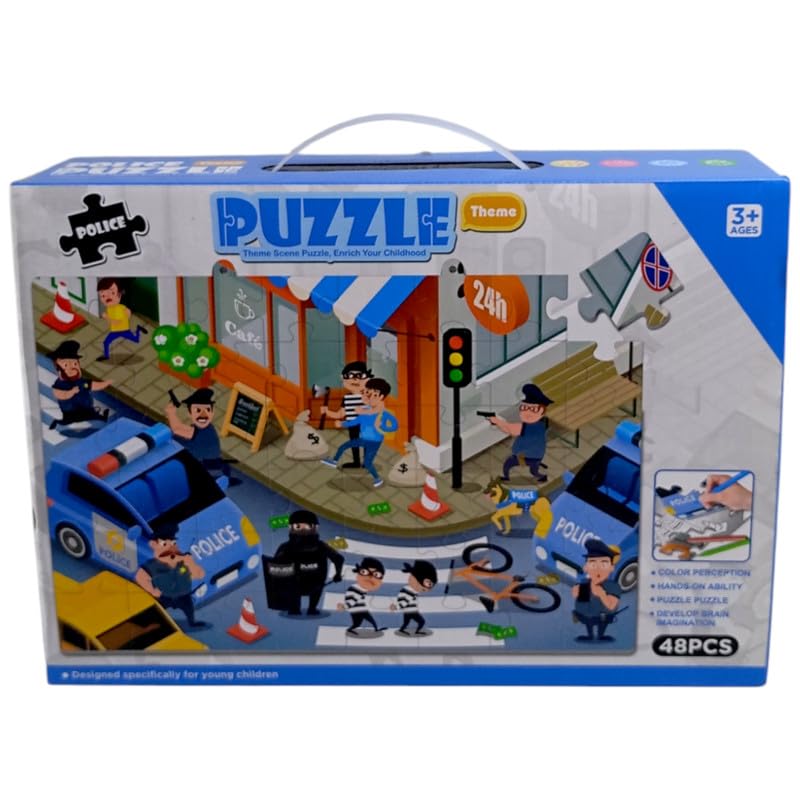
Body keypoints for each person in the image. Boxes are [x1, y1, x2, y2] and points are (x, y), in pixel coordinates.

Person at [321, 378, 398, 488]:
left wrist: (382, 427)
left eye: (374, 395)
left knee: (367, 463)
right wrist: (342, 424)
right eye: (367, 393)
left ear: (381, 397)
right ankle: (334, 461)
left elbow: (395, 425)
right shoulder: (364, 410)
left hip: (374, 442)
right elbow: (355, 421)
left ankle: (377, 478)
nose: (368, 397)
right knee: (343, 446)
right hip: (363, 439)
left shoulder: (382, 413)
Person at [135, 524, 208, 630]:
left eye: (173, 543)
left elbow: (199, 574)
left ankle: (192, 621)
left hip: (183, 595)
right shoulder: (152, 565)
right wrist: (153, 591)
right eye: (164, 544)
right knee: (155, 611)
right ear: (154, 545)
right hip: (165, 596)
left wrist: (190, 563)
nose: (170, 547)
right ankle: (146, 624)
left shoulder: (183, 561)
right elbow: (140, 577)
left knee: (188, 607)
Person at [273, 509, 345, 616]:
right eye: (298, 527)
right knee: (310, 594)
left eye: (306, 527)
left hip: (299, 584)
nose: (303, 531)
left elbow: (274, 566)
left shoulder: (286, 547)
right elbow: (339, 559)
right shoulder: (321, 546)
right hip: (312, 584)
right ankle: (310, 609)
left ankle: (297, 610)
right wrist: (337, 574)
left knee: (296, 594)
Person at [164, 388, 238, 485]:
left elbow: (177, 429)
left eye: (207, 410)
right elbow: (181, 428)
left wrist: (171, 414)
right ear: (189, 414)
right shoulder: (206, 428)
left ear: (212, 413)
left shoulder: (202, 432)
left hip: (204, 471)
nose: (203, 414)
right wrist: (172, 415)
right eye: (198, 410)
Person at [489, 383, 553, 483]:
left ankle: (506, 477)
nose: (526, 413)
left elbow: (510, 429)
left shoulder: (525, 427)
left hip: (527, 455)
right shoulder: (541, 424)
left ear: (541, 411)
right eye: (524, 408)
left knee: (509, 463)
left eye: (533, 409)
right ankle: (538, 470)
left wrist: (497, 421)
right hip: (537, 454)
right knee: (532, 469)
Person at [321, 361, 372, 469]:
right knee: (354, 443)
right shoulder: (347, 398)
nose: (355, 379)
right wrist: (327, 412)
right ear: (343, 378)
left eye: (360, 376)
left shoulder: (368, 396)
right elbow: (340, 414)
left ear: (367, 378)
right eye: (350, 376)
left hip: (366, 424)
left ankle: (367, 462)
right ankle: (356, 462)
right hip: (352, 424)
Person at [49, 339, 111, 429]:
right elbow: (59, 394)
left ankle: (101, 417)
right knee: (66, 420)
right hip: (70, 412)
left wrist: (106, 383)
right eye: (66, 365)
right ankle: (57, 422)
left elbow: (92, 385)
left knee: (93, 415)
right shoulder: (60, 384)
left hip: (86, 409)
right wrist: (70, 393)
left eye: (75, 364)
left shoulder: (81, 381)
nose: (72, 368)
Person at [571, 539, 623, 642]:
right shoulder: (584, 584)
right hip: (587, 616)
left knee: (602, 622)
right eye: (593, 564)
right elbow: (581, 603)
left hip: (603, 617)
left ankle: (600, 636)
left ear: (612, 567)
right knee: (588, 620)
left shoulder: (612, 586)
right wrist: (577, 592)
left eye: (604, 564)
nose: (598, 569)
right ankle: (590, 635)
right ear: (586, 567)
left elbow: (611, 606)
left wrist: (602, 594)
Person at [96, 277, 147, 361]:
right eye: (103, 296)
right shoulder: (109, 308)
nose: (106, 298)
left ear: (119, 295)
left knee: (136, 340)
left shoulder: (121, 308)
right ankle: (106, 355)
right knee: (106, 342)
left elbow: (116, 322)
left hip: (123, 330)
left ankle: (138, 329)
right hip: (115, 331)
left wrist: (107, 317)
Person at [337, 557, 387, 637]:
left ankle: (376, 628)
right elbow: (351, 600)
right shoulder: (355, 588)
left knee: (368, 620)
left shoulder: (363, 588)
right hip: (356, 609)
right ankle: (351, 629)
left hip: (361, 608)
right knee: (358, 623)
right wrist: (345, 606)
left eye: (376, 575)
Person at [391, 560, 437, 637]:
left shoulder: (410, 590)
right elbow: (404, 601)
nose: (427, 589)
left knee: (406, 623)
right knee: (421, 621)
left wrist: (397, 606)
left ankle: (402, 630)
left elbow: (402, 600)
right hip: (411, 611)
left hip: (409, 611)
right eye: (428, 584)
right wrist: (397, 607)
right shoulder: (409, 590)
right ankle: (416, 631)